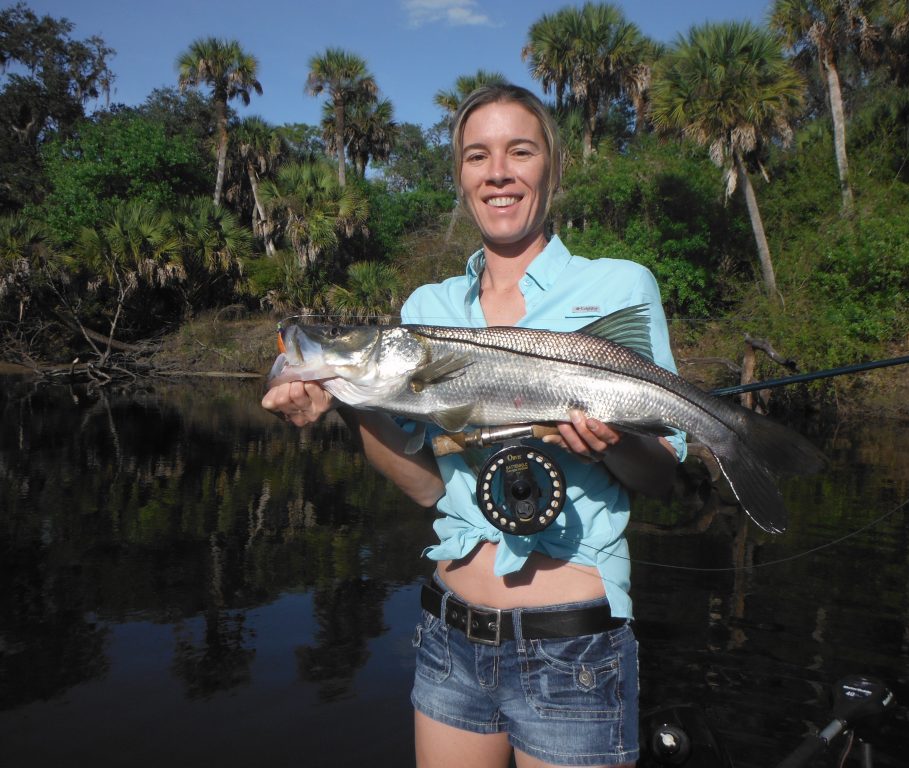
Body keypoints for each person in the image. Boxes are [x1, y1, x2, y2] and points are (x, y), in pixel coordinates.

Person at [262, 83, 686, 768]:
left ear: (552, 165)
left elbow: (662, 475)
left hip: (573, 644)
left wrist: (615, 445)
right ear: (460, 177)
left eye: (520, 151)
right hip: (448, 638)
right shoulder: (426, 308)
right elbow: (425, 489)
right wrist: (347, 399)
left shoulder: (619, 287)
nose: (498, 172)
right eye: (476, 156)